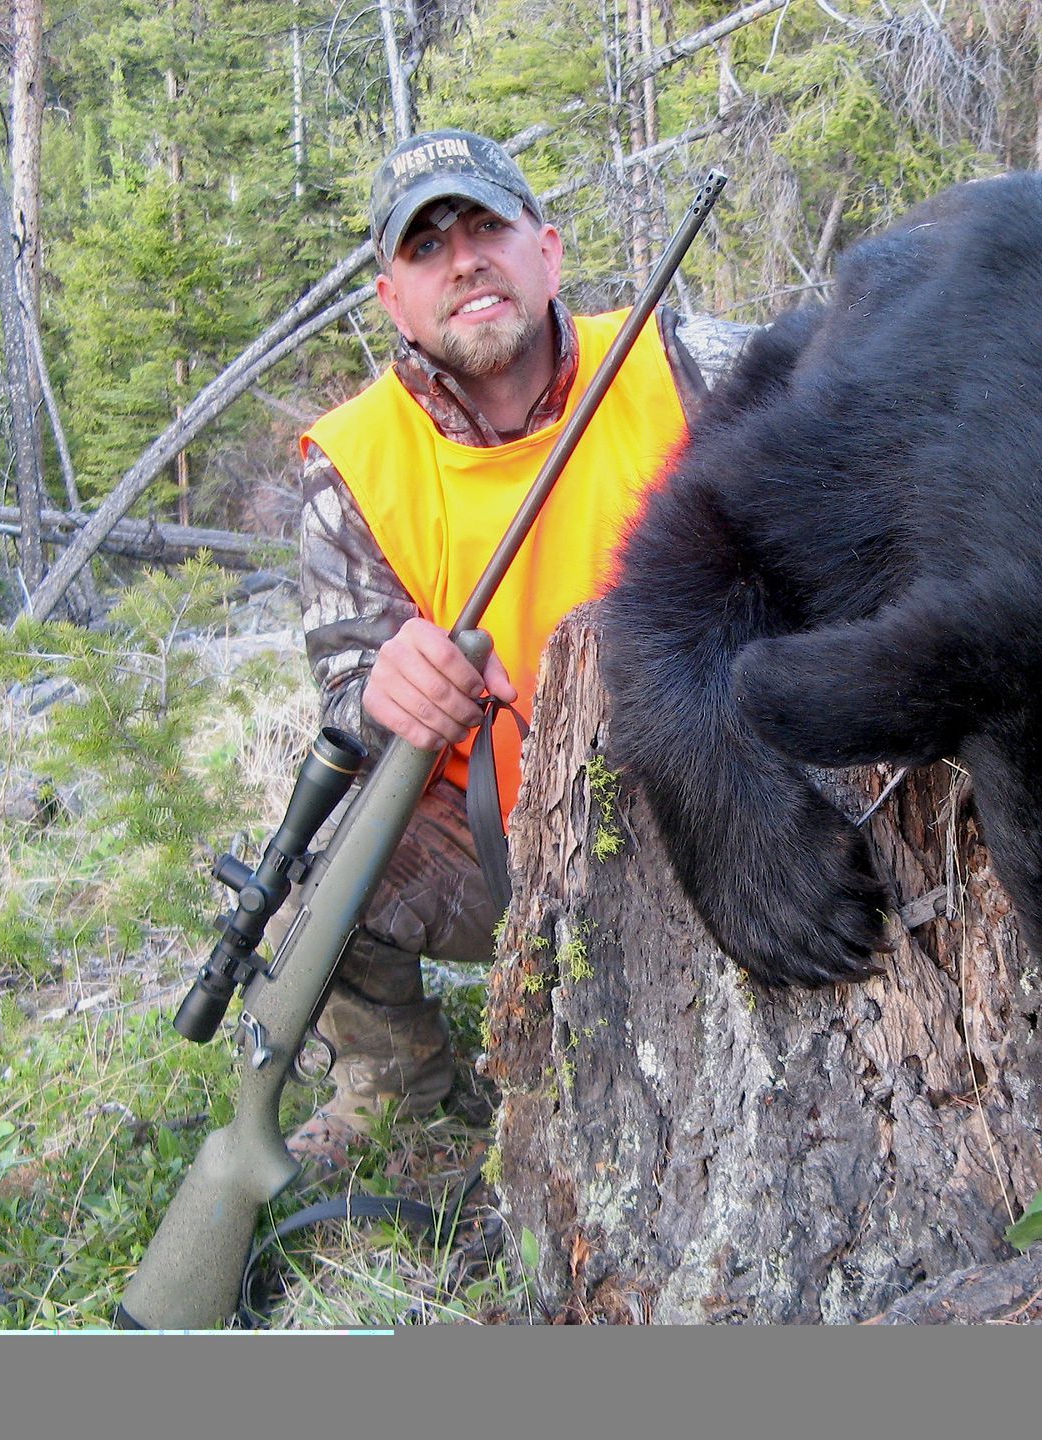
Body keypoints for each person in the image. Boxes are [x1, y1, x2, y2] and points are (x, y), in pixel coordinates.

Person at [288, 129, 748, 1167]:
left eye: (486, 226)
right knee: (320, 896)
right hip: (505, 838)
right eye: (427, 247)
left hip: (719, 779)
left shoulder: (681, 362)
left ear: (547, 248)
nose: (465, 261)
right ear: (391, 301)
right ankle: (395, 1088)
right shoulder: (351, 465)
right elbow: (348, 684)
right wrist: (383, 689)